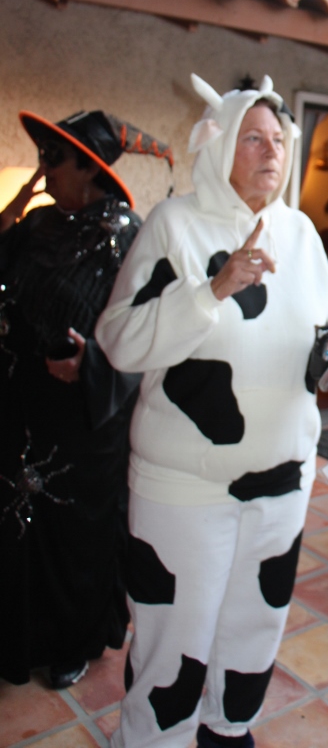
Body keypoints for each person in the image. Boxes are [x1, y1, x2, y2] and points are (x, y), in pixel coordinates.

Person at [95, 74, 328, 748]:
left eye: (278, 141)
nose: (270, 153)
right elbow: (118, 340)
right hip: (185, 488)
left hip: (282, 484)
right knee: (174, 633)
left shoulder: (300, 234)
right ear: (217, 147)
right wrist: (212, 288)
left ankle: (228, 732)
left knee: (253, 629)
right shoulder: (173, 225)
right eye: (252, 139)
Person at [0, 107, 172, 689]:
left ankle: (73, 641)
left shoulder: (131, 240)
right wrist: (16, 206)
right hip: (23, 404)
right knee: (22, 526)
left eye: (53, 159)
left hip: (87, 418)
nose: (44, 169)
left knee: (76, 537)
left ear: (88, 168)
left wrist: (92, 365)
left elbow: (149, 334)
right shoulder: (37, 225)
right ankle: (21, 639)